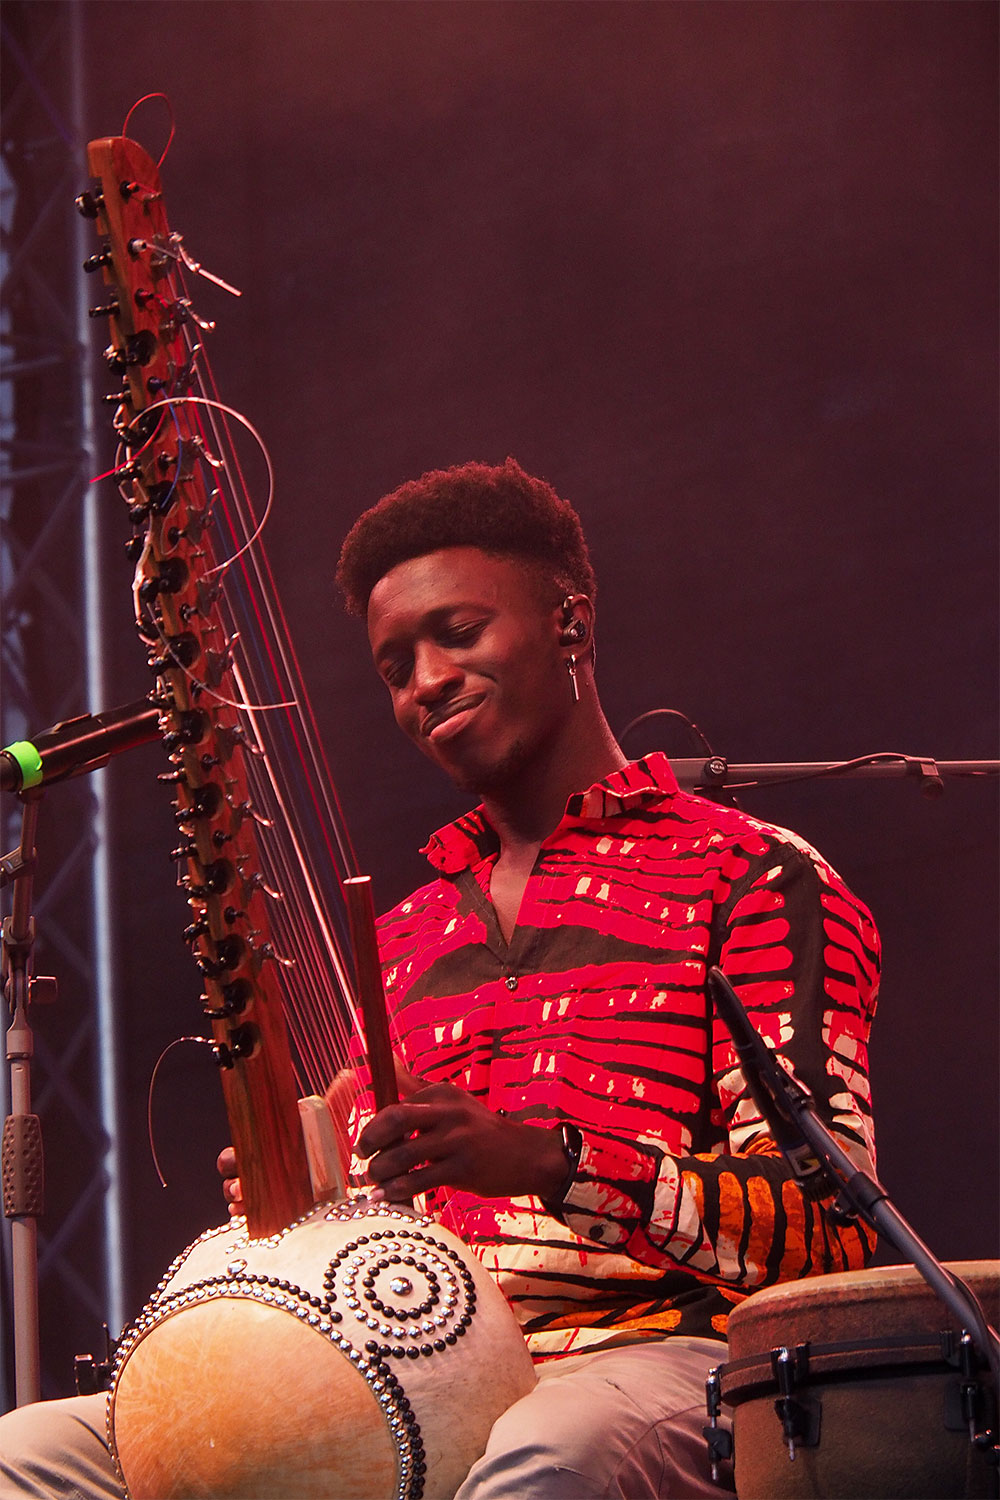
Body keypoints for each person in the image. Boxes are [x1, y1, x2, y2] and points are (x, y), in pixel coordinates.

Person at [0, 458, 880, 1498]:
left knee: (550, 1452)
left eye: (457, 634)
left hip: (644, 1359)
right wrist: (307, 1194)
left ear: (570, 625)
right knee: (33, 1452)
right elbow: (384, 1218)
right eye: (394, 665)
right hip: (396, 1367)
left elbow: (835, 1232)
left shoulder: (750, 876)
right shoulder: (405, 934)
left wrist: (553, 1164)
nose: (424, 680)